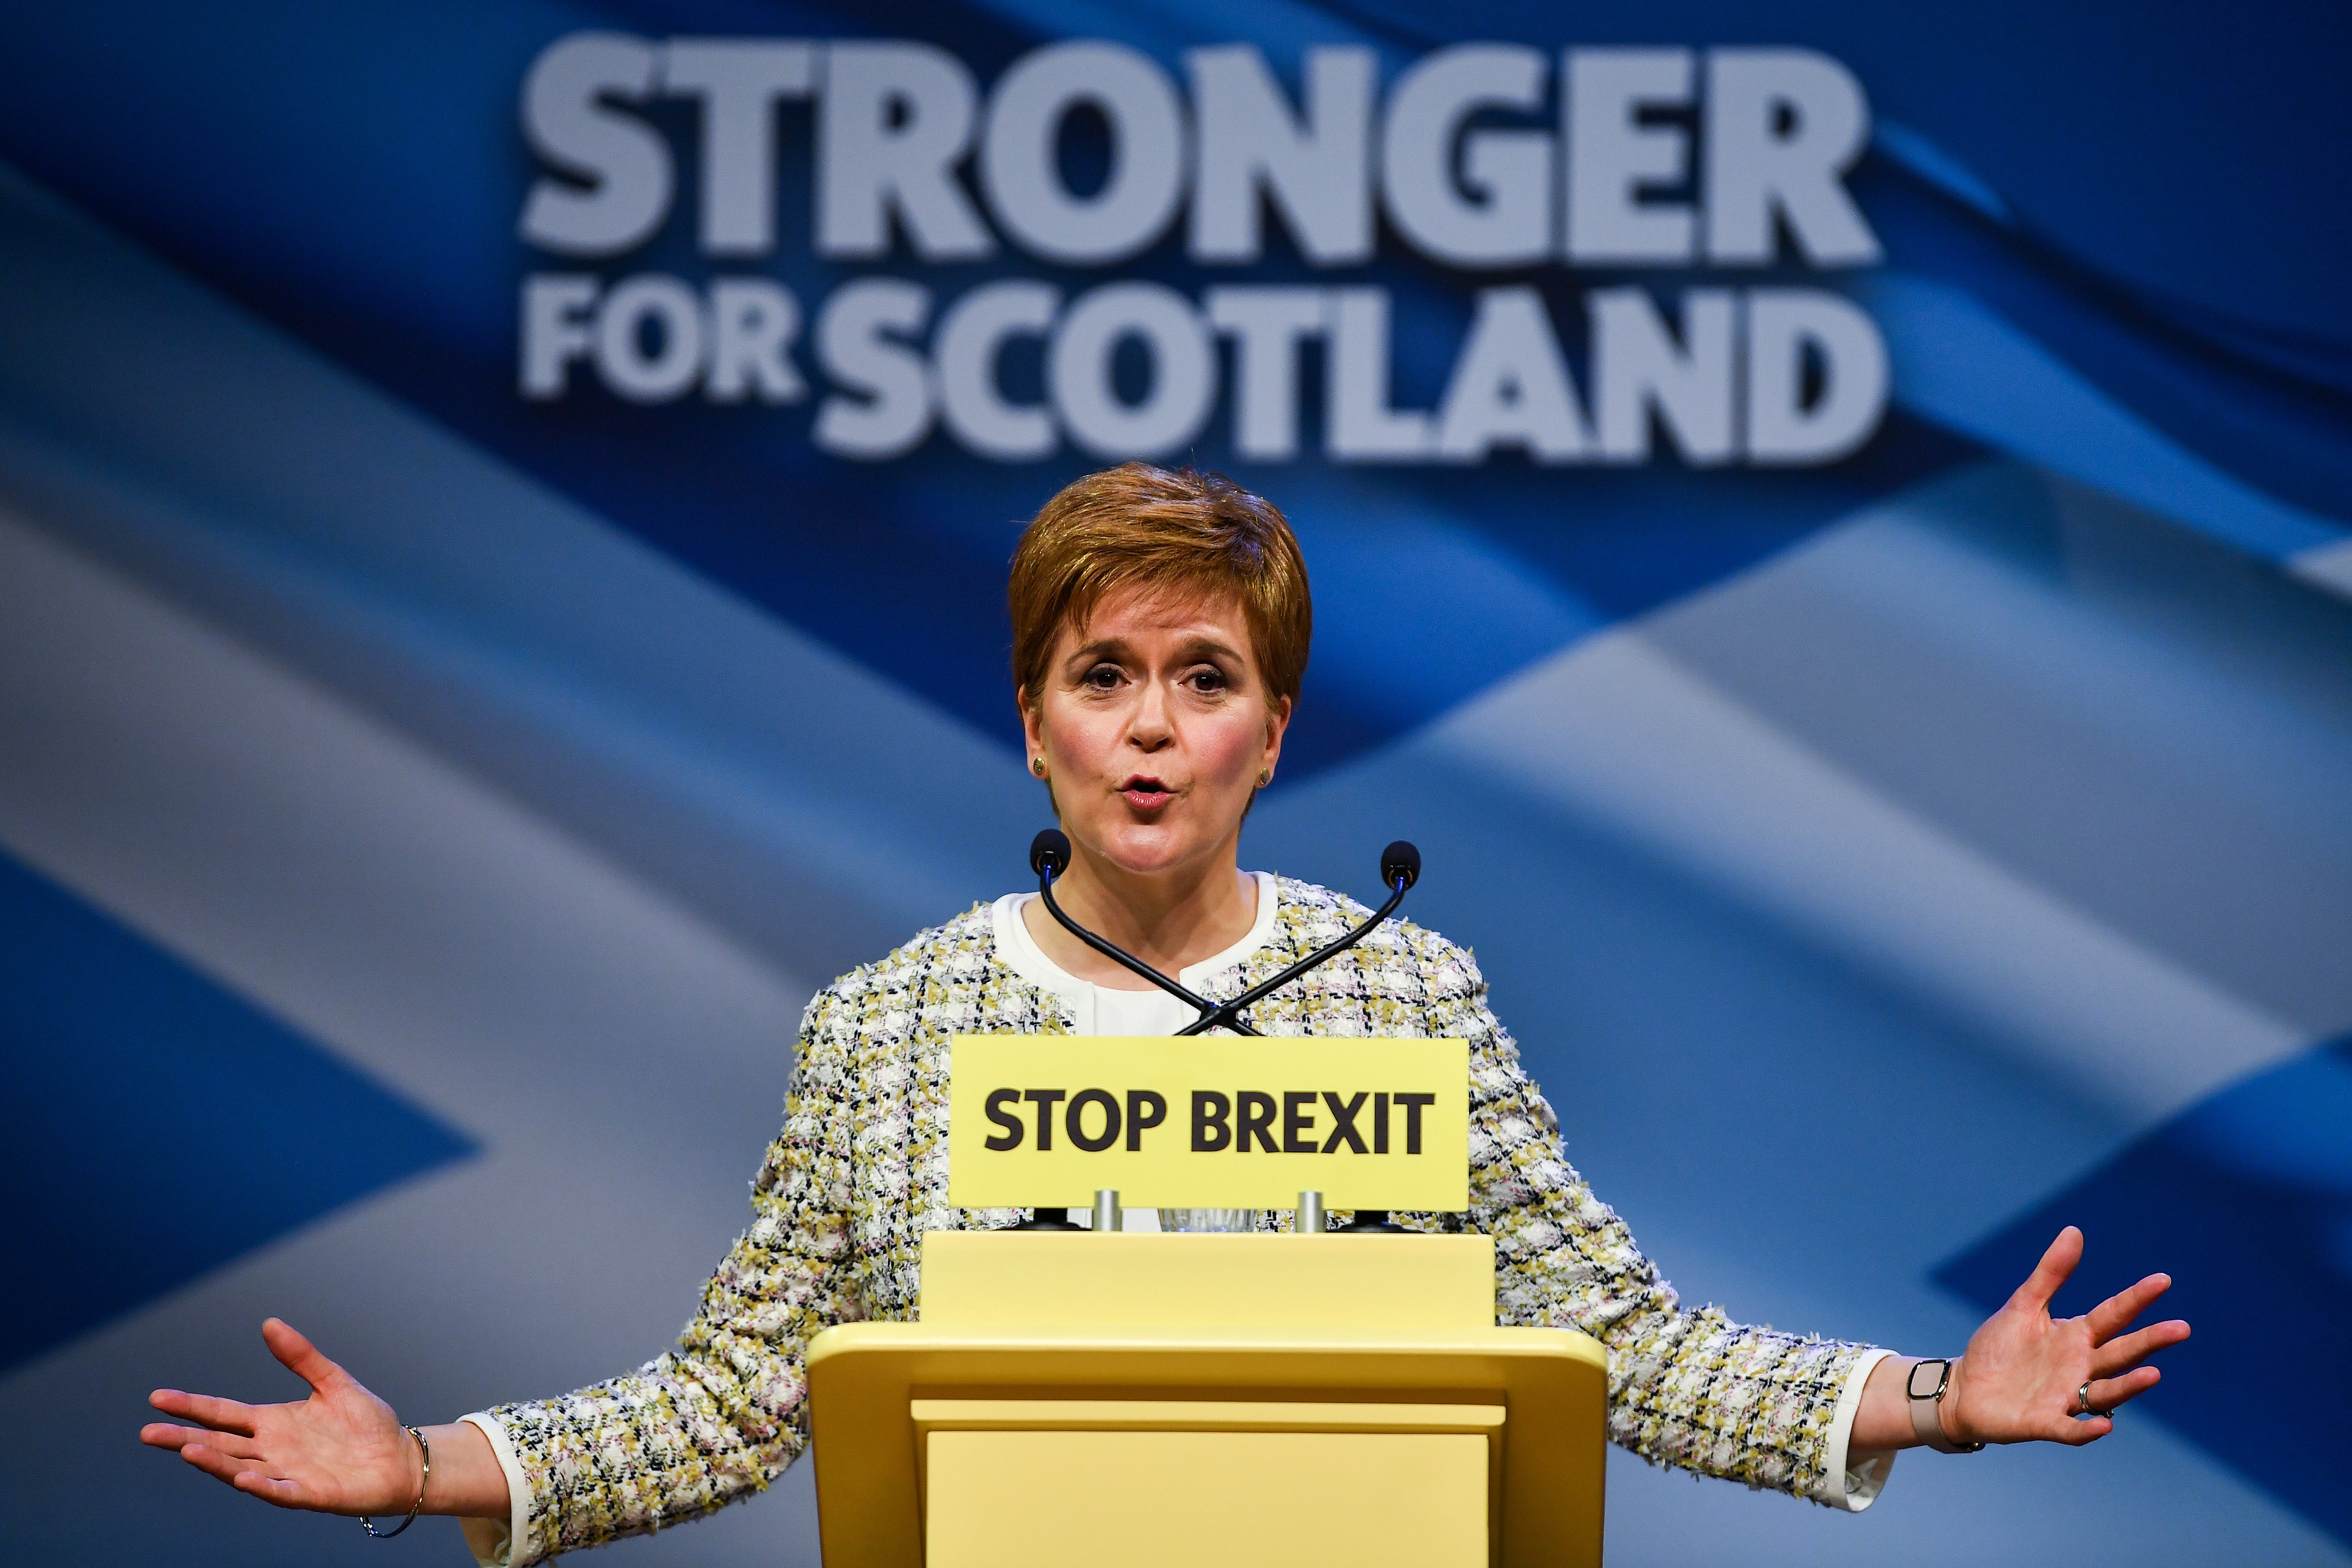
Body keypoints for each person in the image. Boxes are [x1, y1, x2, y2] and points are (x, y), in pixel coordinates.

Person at [142, 464, 2190, 1563]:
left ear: (1270, 733)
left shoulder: (1400, 992)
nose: (1149, 725)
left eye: (1201, 676)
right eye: (1102, 672)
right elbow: (733, 1397)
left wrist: (1932, 1395)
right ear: (1029, 720)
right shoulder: (893, 1024)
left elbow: (1602, 1344)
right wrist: (426, 1464)